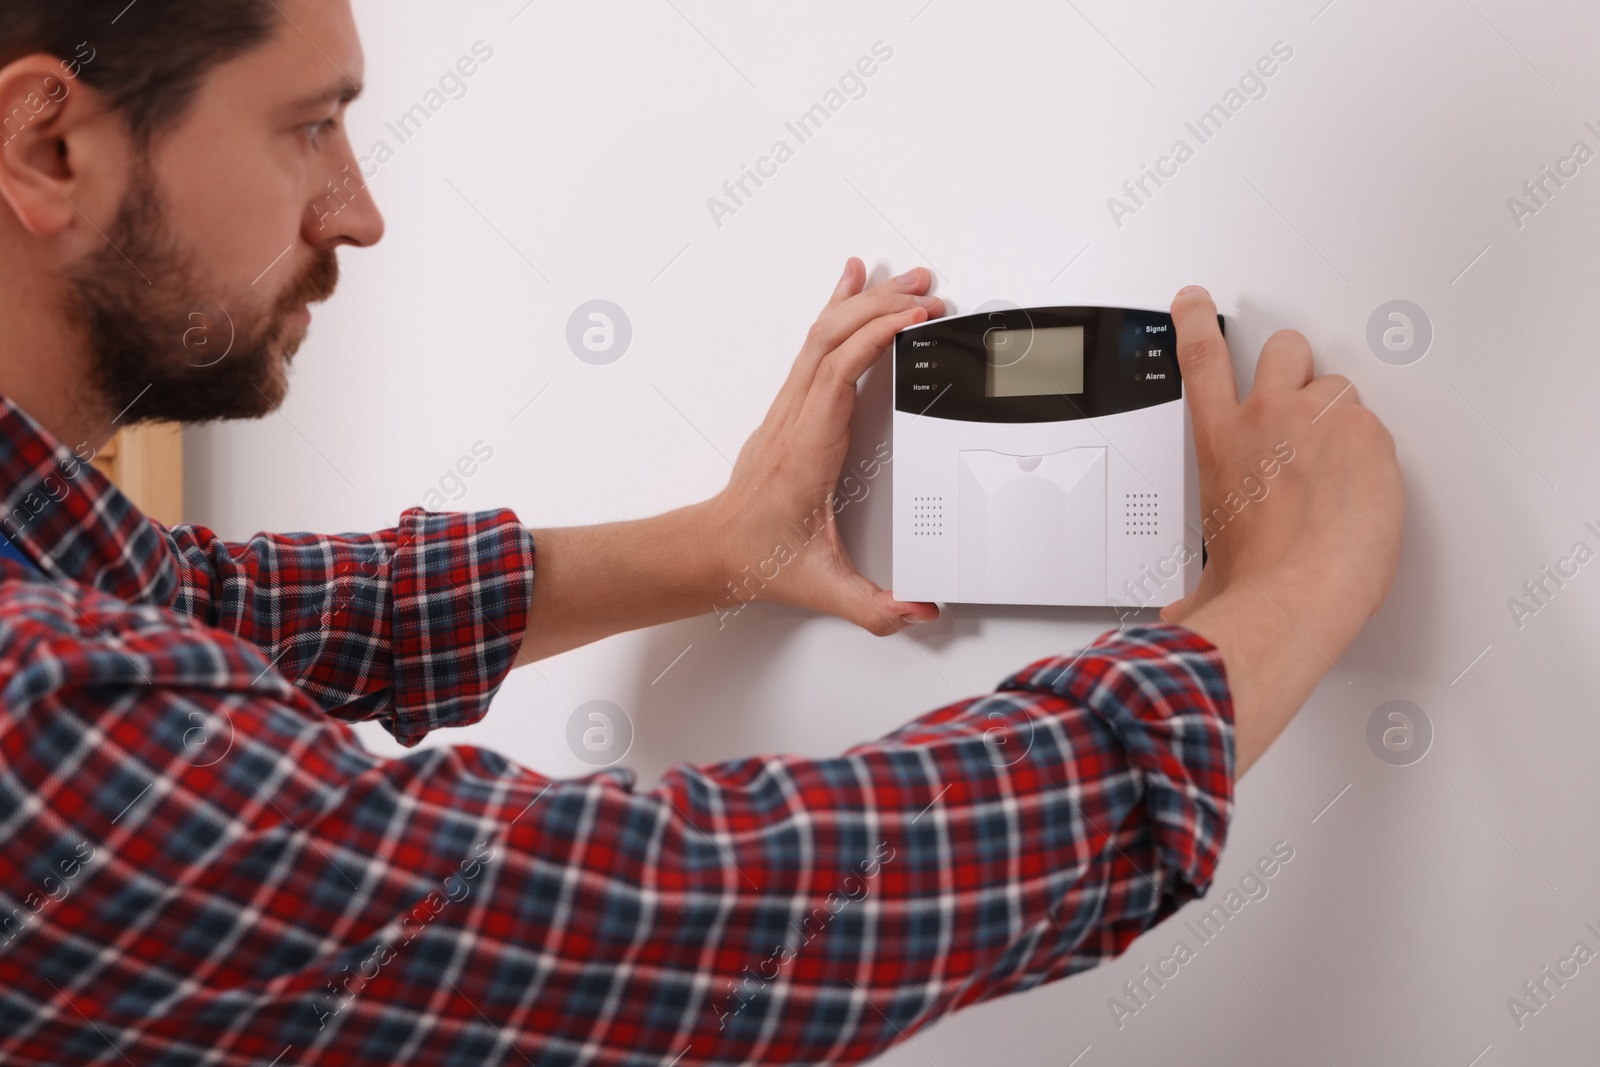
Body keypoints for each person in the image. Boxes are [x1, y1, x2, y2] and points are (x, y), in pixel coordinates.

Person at [0, 1, 1404, 1064]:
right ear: (50, 146)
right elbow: (671, 916)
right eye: (310, 122)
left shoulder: (52, 568)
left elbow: (213, 609)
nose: (358, 213)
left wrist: (722, 543)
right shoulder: (33, 713)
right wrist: (1286, 593)